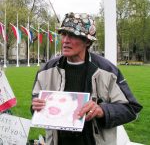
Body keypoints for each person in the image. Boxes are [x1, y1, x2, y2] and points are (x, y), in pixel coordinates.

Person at [31, 12, 142, 145]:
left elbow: (131, 108)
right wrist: (36, 106)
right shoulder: (46, 70)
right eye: (64, 34)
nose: (66, 40)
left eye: (73, 35)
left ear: (87, 41)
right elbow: (35, 104)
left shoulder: (108, 71)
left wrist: (102, 110)